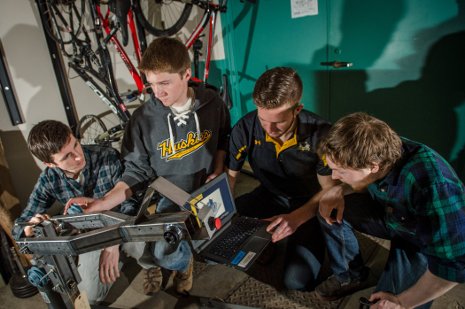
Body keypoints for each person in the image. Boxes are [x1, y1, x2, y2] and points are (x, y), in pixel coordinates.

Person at [65, 37, 231, 294]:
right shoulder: (142, 119)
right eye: (151, 84)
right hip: (169, 193)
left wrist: (219, 166)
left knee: (216, 244)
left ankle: (185, 254)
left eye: (164, 83)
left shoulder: (212, 102)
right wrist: (103, 203)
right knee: (164, 254)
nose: (157, 93)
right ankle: (183, 264)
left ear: (186, 74)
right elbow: (135, 171)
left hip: (206, 190)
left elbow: (224, 135)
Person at [315, 112, 465, 308]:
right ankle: (352, 276)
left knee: (385, 303)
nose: (334, 175)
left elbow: (455, 264)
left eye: (341, 172)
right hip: (392, 216)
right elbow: (354, 176)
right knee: (330, 209)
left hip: (419, 238)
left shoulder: (432, 186)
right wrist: (337, 189)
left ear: (373, 167)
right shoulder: (376, 150)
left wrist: (402, 302)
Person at [225, 67, 338, 291]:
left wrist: (295, 219)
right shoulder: (246, 127)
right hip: (270, 194)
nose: (269, 129)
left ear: (298, 109)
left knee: (297, 282)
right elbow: (230, 179)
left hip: (309, 203)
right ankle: (265, 241)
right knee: (225, 228)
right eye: (263, 119)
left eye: (278, 122)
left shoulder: (322, 134)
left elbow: (329, 190)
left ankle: (315, 239)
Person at [12, 120, 137, 304]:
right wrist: (29, 228)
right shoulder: (49, 179)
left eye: (76, 144)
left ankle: (147, 263)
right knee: (93, 296)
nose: (78, 156)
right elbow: (20, 226)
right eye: (67, 157)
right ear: (50, 164)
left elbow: (132, 205)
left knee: (151, 248)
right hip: (92, 237)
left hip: (122, 225)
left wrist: (112, 244)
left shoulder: (107, 156)